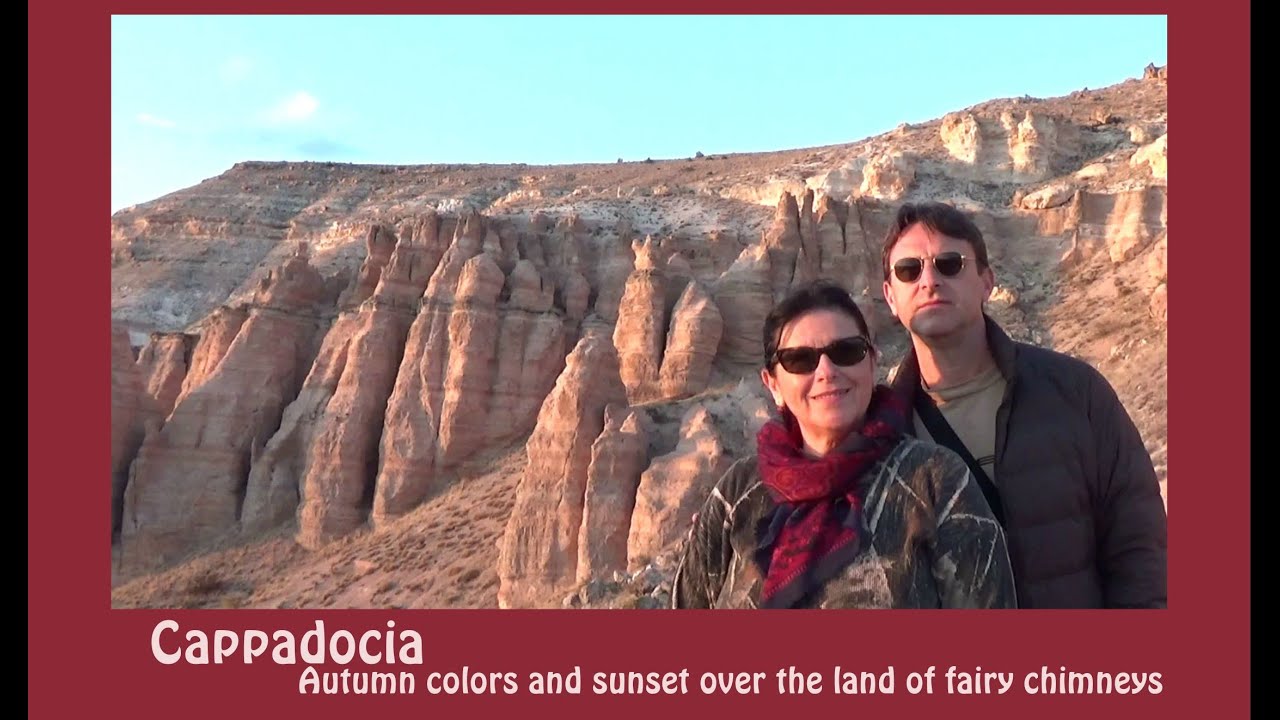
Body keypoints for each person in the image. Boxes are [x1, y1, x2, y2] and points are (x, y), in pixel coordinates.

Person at [879, 201, 1167, 608]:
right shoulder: (882, 431)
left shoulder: (1074, 392)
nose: (929, 280)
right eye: (909, 269)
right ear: (891, 296)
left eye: (950, 263)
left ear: (987, 281)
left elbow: (1139, 543)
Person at [672, 281, 1016, 609]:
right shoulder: (739, 491)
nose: (826, 371)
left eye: (846, 351)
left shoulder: (933, 480)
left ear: (872, 361)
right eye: (799, 360)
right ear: (773, 384)